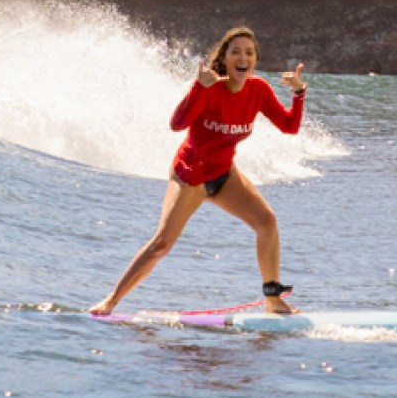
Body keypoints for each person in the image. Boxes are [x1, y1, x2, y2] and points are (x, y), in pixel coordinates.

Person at [88, 26, 307, 316]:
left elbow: (289, 127)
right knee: (162, 244)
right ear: (225, 59)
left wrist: (299, 93)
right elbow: (177, 124)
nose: (243, 57)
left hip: (224, 175)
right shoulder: (210, 88)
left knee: (266, 222)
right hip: (190, 175)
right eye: (236, 52)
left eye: (249, 53)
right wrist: (198, 87)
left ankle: (273, 299)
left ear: (254, 60)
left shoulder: (258, 90)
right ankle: (111, 301)